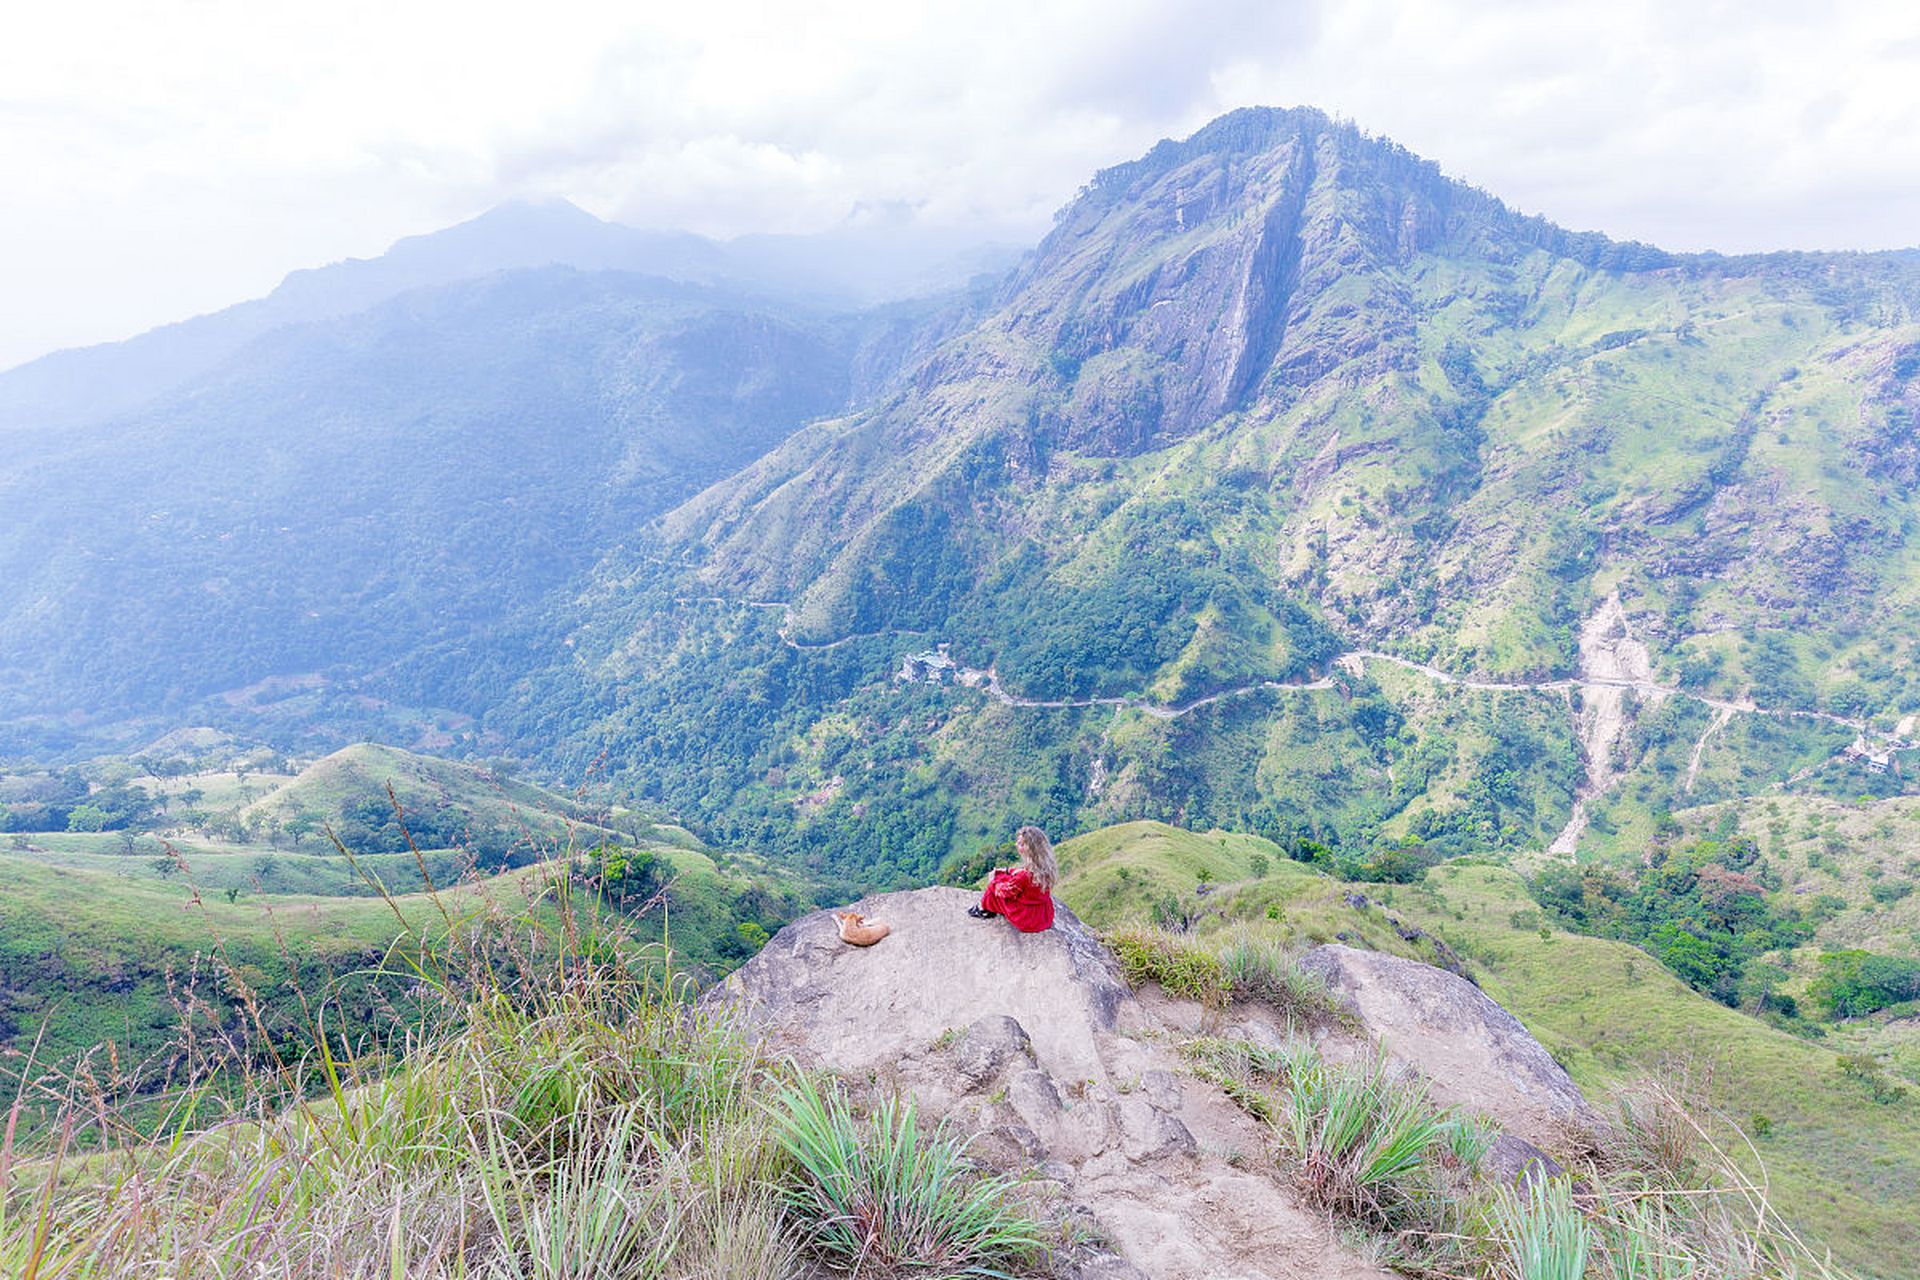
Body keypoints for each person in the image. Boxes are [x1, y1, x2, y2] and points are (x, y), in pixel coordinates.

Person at [968, 825, 1057, 932]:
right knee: (1003, 877)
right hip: (1043, 916)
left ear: (1029, 849)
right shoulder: (1045, 866)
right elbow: (1022, 876)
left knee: (994, 887)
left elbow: (1004, 892)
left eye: (1020, 844)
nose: (1016, 845)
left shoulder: (1024, 876)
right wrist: (1006, 871)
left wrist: (993, 881)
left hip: (1027, 919)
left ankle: (984, 909)